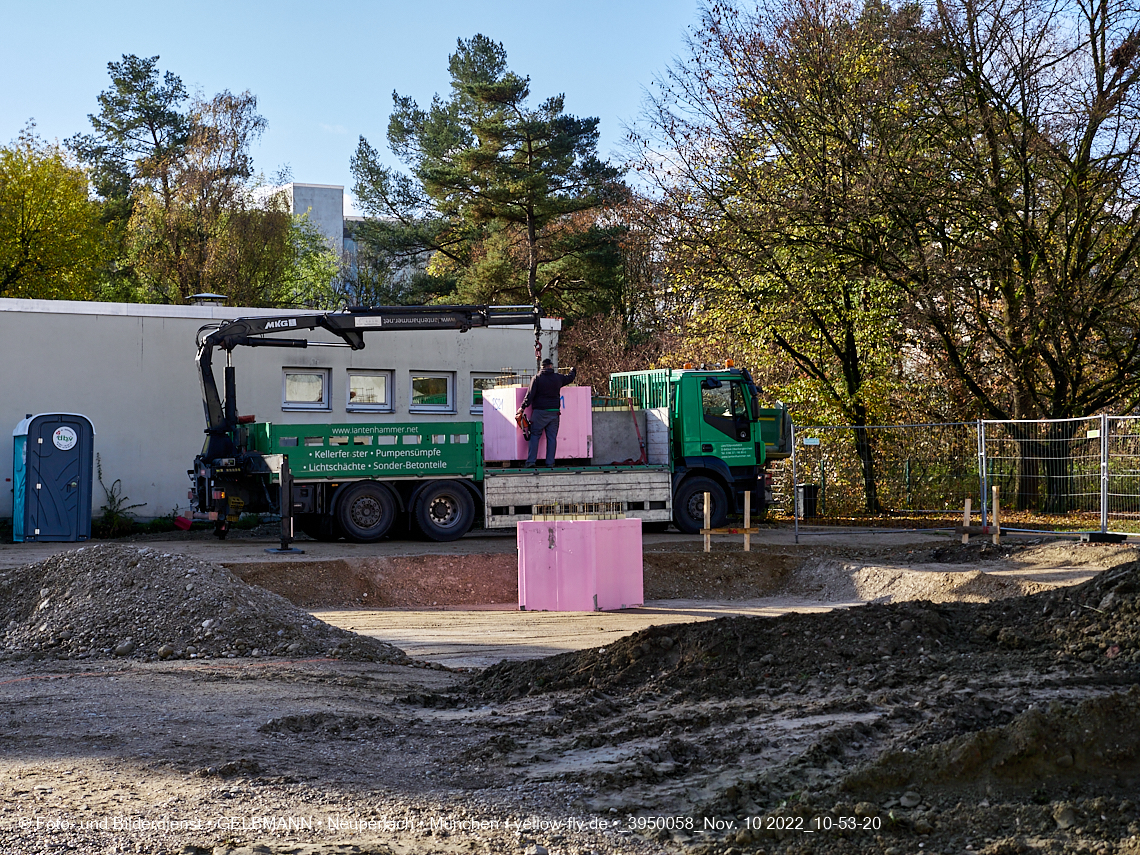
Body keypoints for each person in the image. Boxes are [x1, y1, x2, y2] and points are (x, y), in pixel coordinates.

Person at [518, 358, 577, 467]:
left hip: (539, 412)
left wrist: (522, 408)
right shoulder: (558, 378)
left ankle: (531, 461)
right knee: (551, 437)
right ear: (551, 366)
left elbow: (529, 396)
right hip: (554, 413)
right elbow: (570, 378)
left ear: (542, 367)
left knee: (534, 435)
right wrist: (573, 370)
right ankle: (550, 462)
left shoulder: (537, 378)